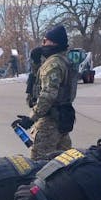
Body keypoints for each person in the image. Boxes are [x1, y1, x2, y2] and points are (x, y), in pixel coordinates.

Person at [19, 25, 77, 161]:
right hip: (63, 118)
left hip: (49, 123)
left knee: (39, 164)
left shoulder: (53, 64)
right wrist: (35, 62)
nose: (42, 44)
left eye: (45, 41)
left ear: (53, 42)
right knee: (64, 163)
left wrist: (32, 117)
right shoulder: (64, 60)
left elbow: (48, 94)